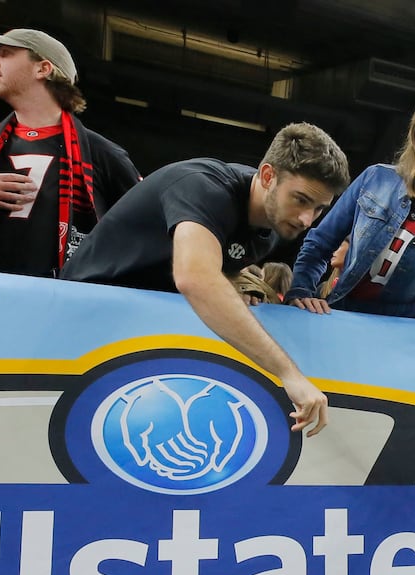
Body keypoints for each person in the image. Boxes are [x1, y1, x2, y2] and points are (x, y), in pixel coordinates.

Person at [63, 123, 352, 436]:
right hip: (79, 329)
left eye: (319, 208)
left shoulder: (272, 228)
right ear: (268, 177)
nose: (306, 220)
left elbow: (213, 270)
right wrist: (289, 374)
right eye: (300, 199)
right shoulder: (203, 187)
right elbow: (196, 278)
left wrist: (230, 285)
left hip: (137, 341)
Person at [286, 88, 415, 319]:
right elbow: (320, 243)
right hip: (336, 316)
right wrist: (302, 290)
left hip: (400, 338)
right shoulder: (374, 179)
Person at [0, 28, 140, 277]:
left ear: (43, 69)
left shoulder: (103, 154)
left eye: (6, 53)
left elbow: (143, 226)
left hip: (64, 303)